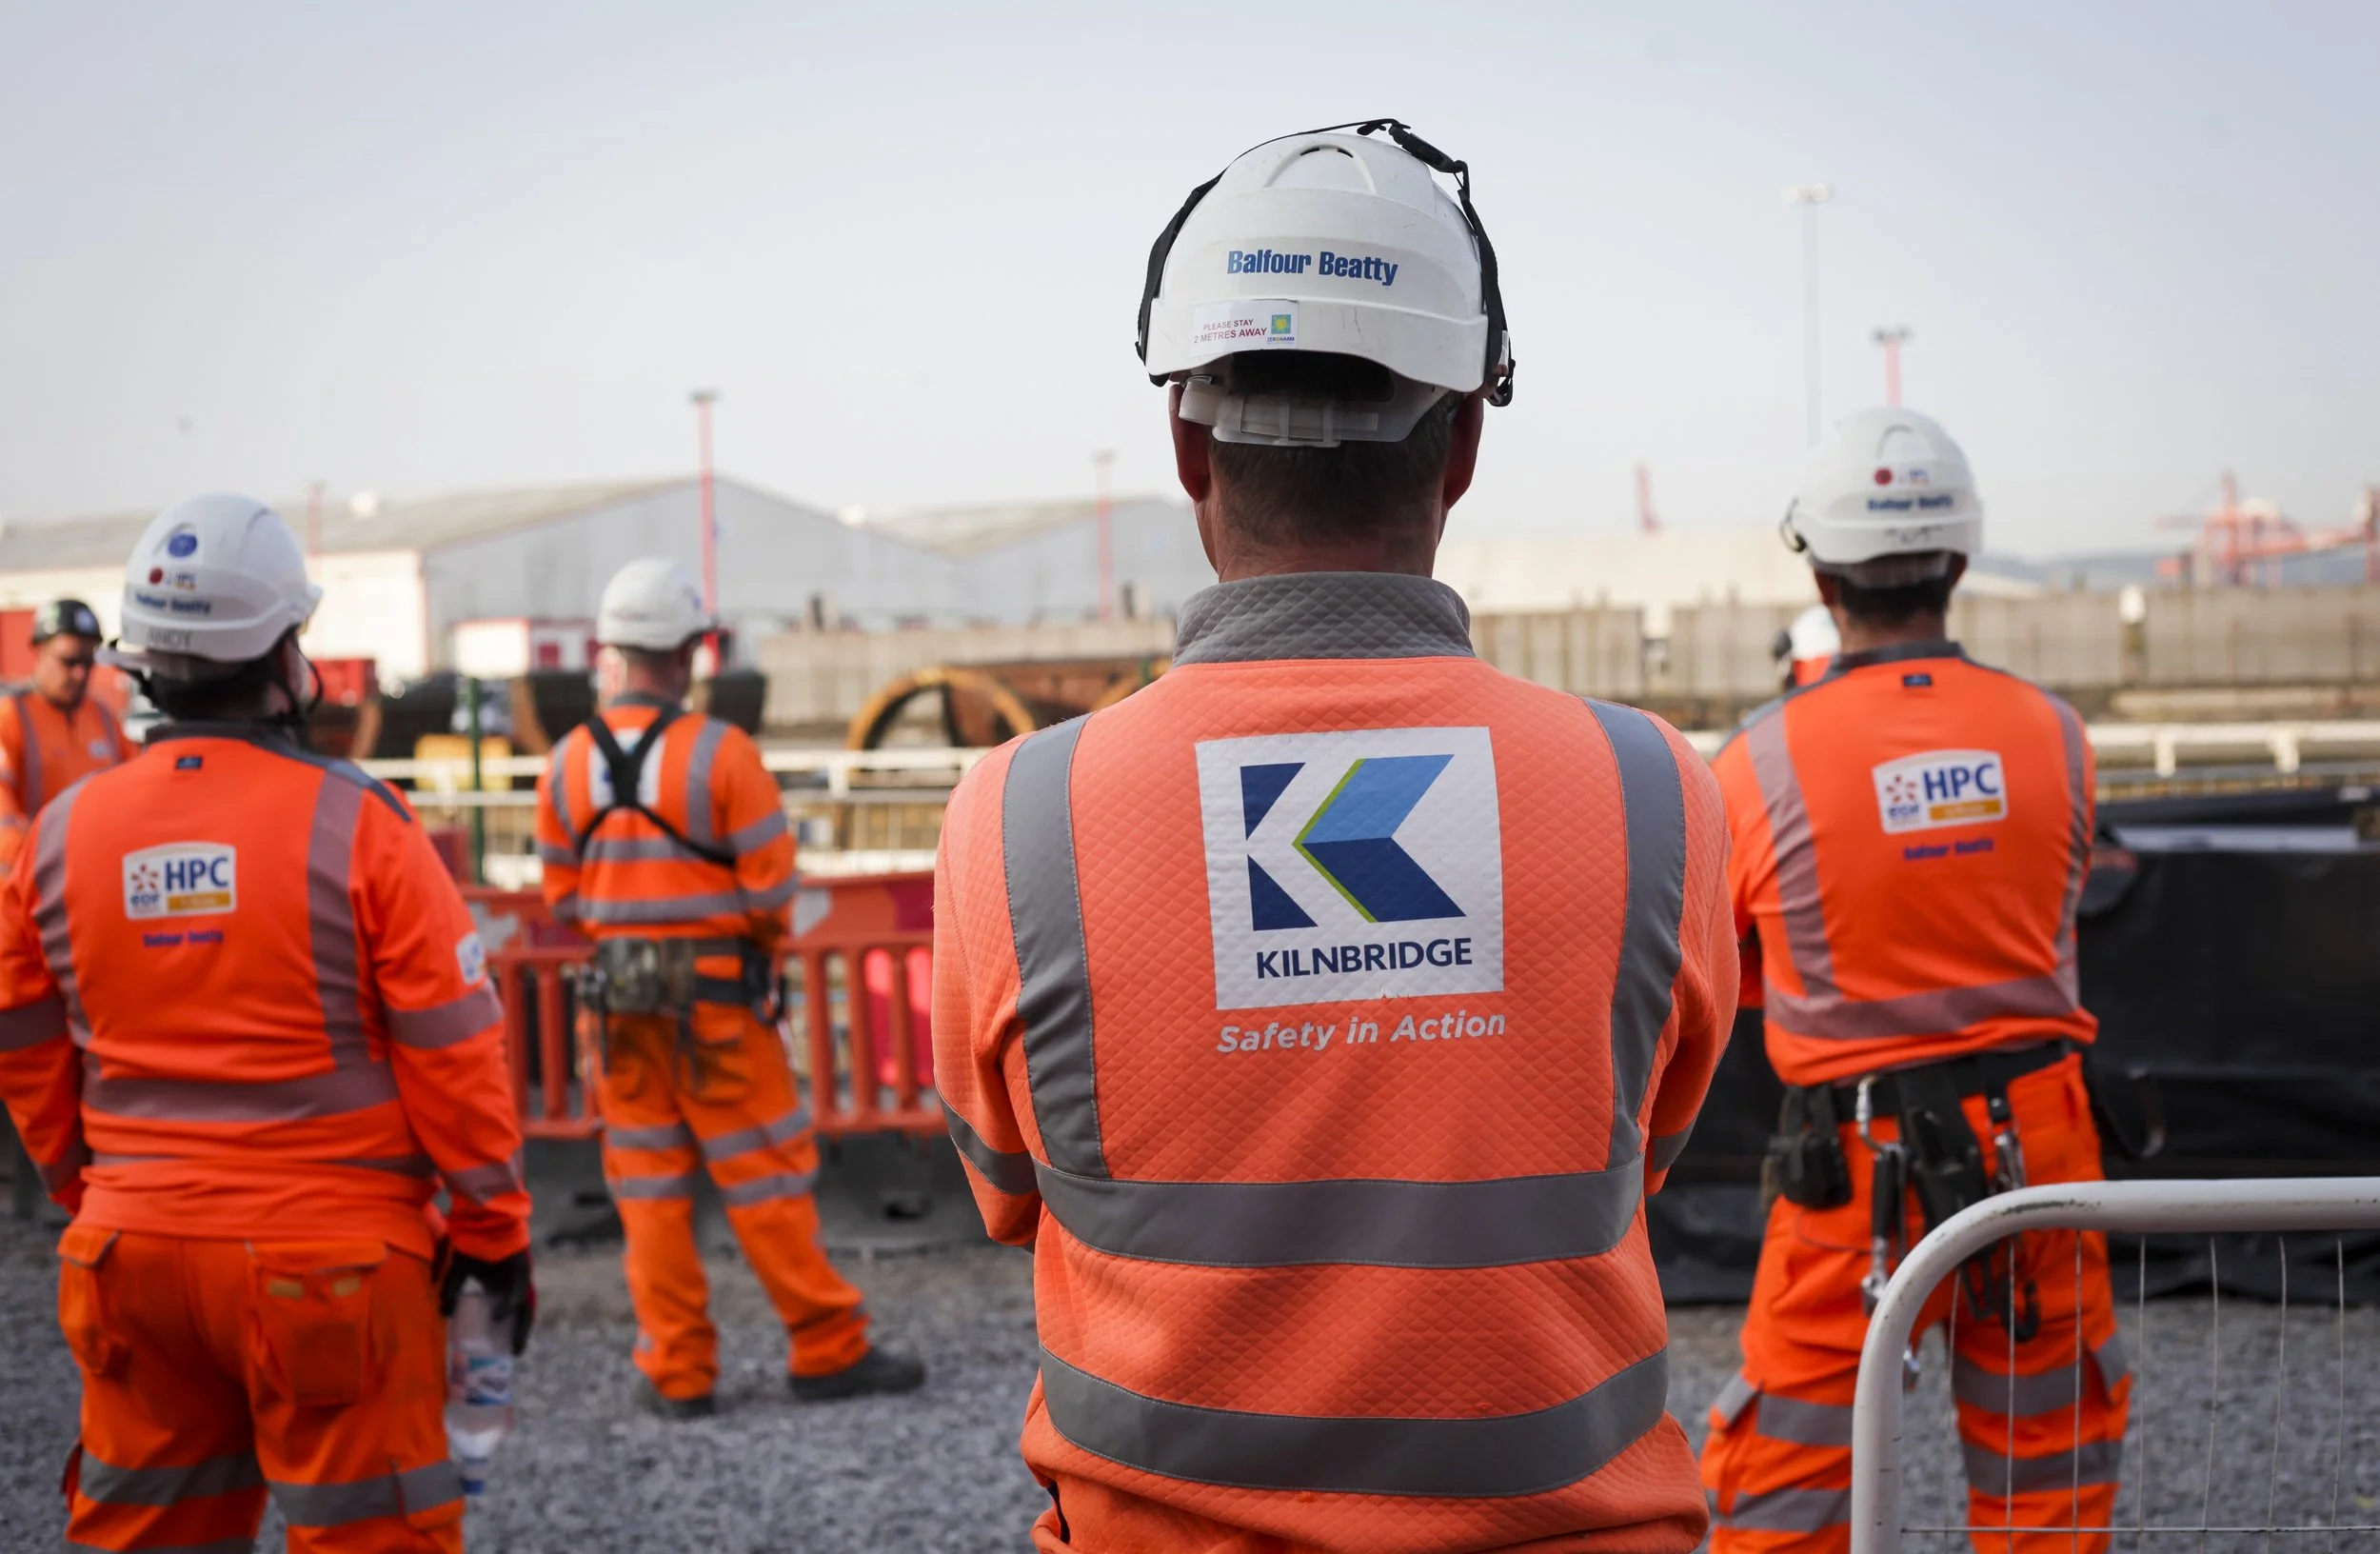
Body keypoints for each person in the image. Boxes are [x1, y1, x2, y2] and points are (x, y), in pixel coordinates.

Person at [933, 120, 1736, 1554]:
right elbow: (1640, 1144)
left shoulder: (1018, 817)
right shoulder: (1653, 789)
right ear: (1465, 447)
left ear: (1188, 446)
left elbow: (1011, 1189)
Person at [0, 494, 533, 1554]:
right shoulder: (362, 825)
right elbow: (455, 1052)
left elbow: (22, 1044)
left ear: (142, 661)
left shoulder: (57, 838)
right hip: (328, 1267)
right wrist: (492, 1233)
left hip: (128, 1253)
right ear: (289, 652)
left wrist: (92, 1193)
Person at [1699, 410, 2130, 1550]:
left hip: (1852, 1170)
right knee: (2052, 1465)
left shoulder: (1753, 763)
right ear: (1959, 558)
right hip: (2042, 1144)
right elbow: (2049, 898)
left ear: (1822, 571)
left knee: (1784, 1480)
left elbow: (1735, 967)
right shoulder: (2056, 734)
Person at [536, 557, 922, 1416]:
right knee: (766, 1184)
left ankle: (677, 1372)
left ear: (609, 651)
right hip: (716, 1018)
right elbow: (769, 895)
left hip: (620, 1018)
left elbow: (561, 896)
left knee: (648, 1194)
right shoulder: (721, 753)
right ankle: (827, 1347)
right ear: (688, 653)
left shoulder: (564, 764)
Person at [0, 597, 129, 868]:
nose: (80, 674)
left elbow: (134, 790)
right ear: (38, 650)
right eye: (69, 661)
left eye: (87, 661)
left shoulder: (104, 719)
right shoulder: (11, 717)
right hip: (33, 883)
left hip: (95, 877)